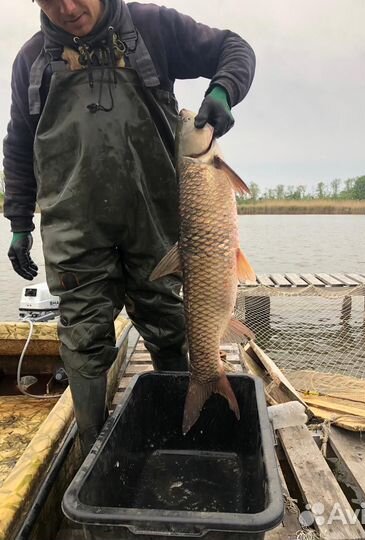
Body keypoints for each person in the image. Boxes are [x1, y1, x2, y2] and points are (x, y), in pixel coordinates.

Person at [3, 0, 255, 455]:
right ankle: (93, 455)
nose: (66, 8)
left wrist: (223, 90)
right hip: (75, 232)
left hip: (156, 228)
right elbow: (20, 144)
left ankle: (185, 440)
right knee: (81, 340)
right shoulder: (32, 60)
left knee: (173, 327)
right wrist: (19, 221)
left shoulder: (152, 29)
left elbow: (233, 49)